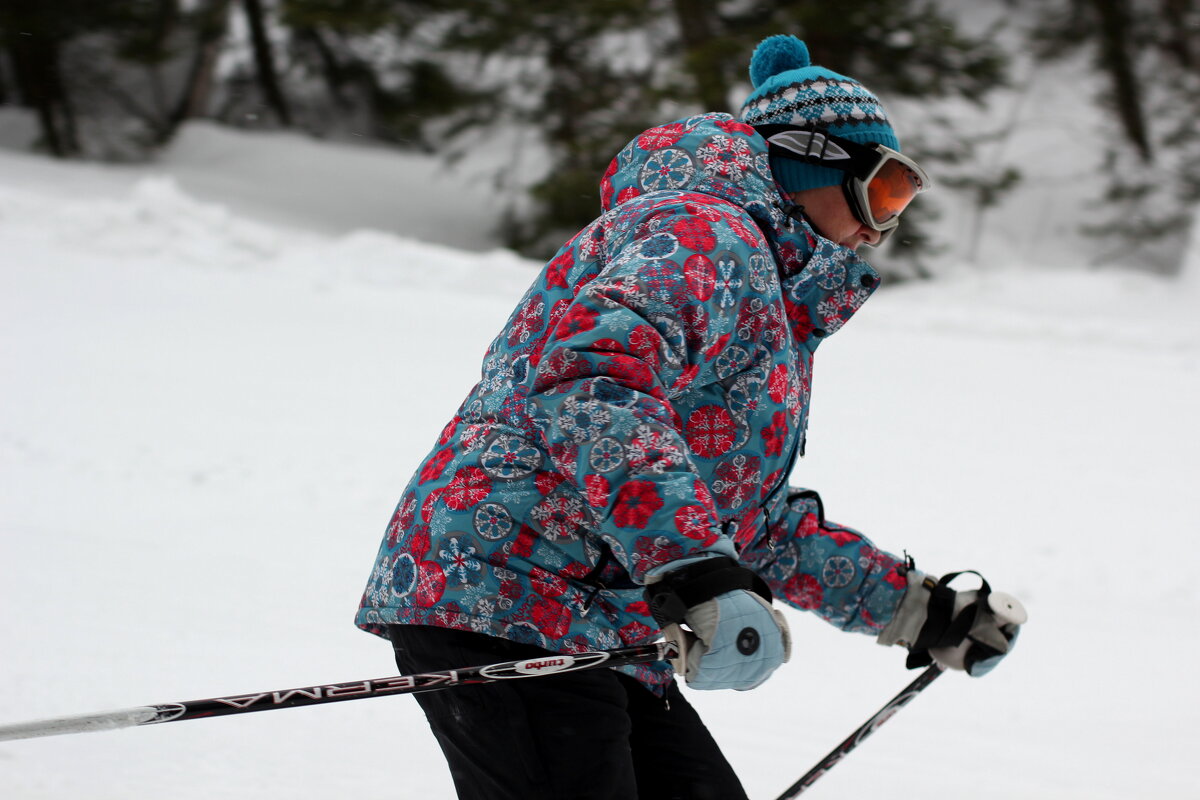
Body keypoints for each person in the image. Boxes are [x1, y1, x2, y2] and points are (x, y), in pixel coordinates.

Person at [355, 34, 1024, 800]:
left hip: (600, 617)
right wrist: (694, 568)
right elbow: (591, 378)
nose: (881, 228)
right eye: (885, 190)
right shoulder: (708, 234)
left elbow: (751, 525)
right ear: (810, 163)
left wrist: (916, 609)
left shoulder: (766, 292)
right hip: (508, 587)